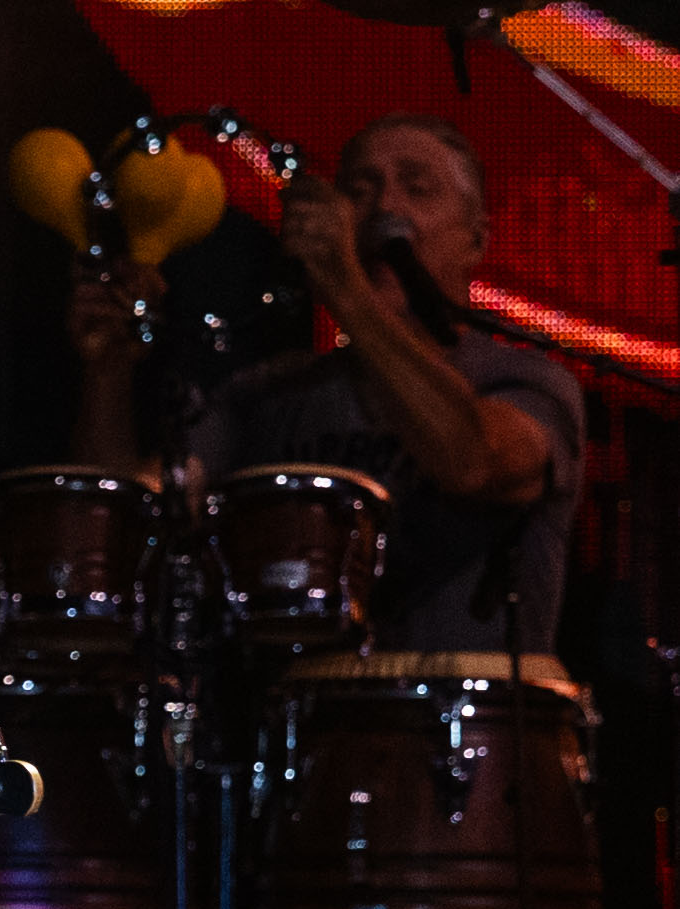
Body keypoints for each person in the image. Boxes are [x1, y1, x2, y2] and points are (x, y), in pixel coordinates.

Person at [72, 113, 584, 648]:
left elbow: (472, 459)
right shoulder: (269, 392)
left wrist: (345, 287)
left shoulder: (526, 380)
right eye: (360, 191)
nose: (386, 210)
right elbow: (123, 529)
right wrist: (107, 371)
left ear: (475, 241)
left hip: (460, 723)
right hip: (292, 717)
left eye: (418, 188)